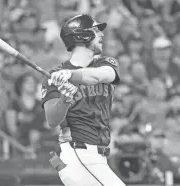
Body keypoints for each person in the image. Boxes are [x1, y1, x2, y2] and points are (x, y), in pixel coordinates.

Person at [41, 14, 126, 186]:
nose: (101, 35)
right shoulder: (54, 76)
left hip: (98, 158)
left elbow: (102, 75)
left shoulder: (105, 63)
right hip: (78, 154)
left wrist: (72, 75)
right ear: (82, 36)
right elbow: (52, 120)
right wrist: (65, 98)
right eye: (96, 31)